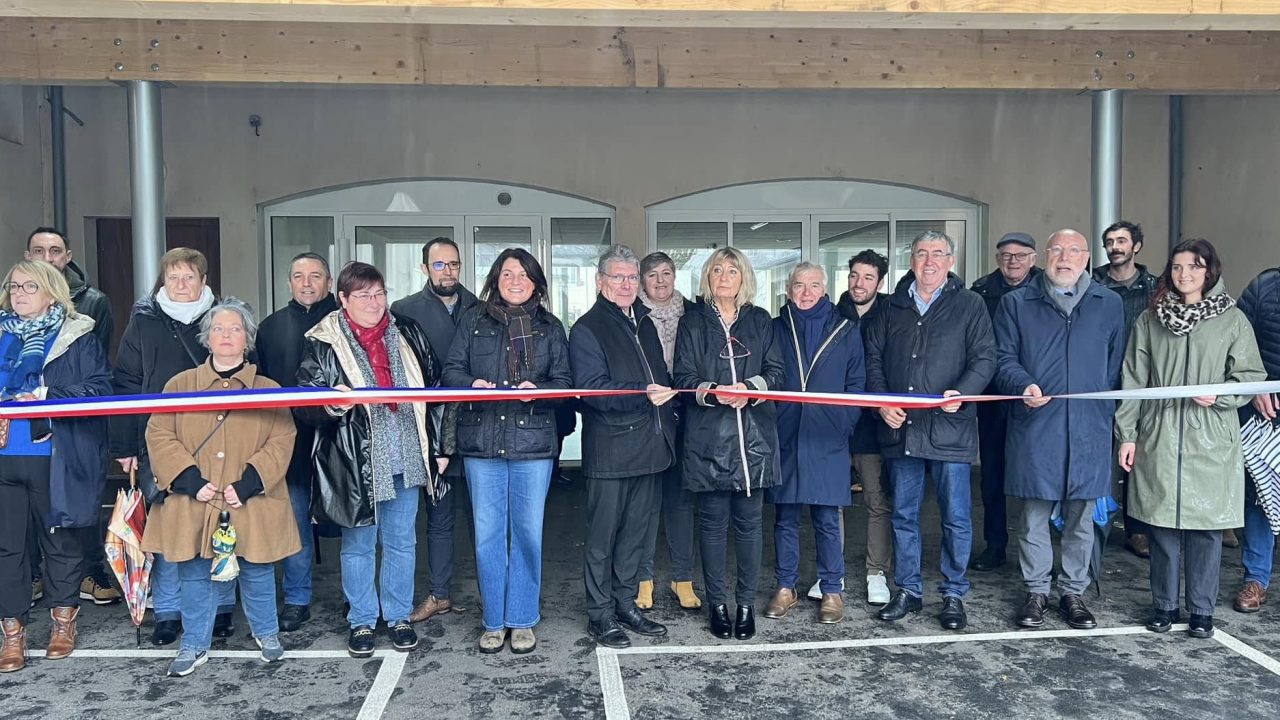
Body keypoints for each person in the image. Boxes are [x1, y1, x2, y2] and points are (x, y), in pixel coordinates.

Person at [1117, 238, 1265, 639]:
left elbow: (1251, 377)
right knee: (1161, 527)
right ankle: (1164, 605)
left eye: (1195, 267)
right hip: (1160, 432)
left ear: (1209, 270)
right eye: (1179, 267)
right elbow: (1133, 380)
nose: (1185, 275)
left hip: (1210, 435)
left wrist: (1220, 395)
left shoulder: (1232, 319)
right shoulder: (1150, 319)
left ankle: (1201, 610)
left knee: (1206, 529)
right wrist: (1127, 435)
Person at [297, 261, 447, 658]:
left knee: (401, 541)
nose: (373, 302)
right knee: (358, 545)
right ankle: (362, 620)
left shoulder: (407, 331)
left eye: (378, 293)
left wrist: (439, 448)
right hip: (353, 458)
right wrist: (335, 403)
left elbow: (435, 391)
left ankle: (397, 616)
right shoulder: (323, 341)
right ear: (343, 299)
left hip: (407, 453)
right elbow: (305, 406)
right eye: (362, 295)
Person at [144, 298, 299, 677]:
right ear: (206, 338)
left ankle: (268, 634)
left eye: (235, 329)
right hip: (194, 496)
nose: (226, 336)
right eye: (218, 329)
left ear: (247, 339)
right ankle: (195, 642)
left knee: (258, 569)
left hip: (249, 497)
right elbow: (159, 433)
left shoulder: (268, 388)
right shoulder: (179, 385)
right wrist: (189, 481)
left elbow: (282, 437)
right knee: (194, 572)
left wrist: (248, 483)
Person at [992, 230, 1125, 630]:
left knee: (1081, 516)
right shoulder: (1016, 303)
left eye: (1073, 251)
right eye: (1057, 251)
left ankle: (1072, 593)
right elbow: (1002, 359)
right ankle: (1036, 591)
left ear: (1087, 258)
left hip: (1089, 427)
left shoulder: (1110, 304)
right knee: (1033, 514)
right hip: (1037, 424)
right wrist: (1022, 385)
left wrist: (1106, 412)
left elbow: (1116, 367)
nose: (1064, 258)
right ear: (1043, 257)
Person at [441, 248, 571, 654]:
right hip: (483, 444)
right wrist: (470, 384)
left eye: (524, 274)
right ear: (496, 278)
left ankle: (522, 618)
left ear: (536, 282)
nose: (516, 281)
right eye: (508, 273)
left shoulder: (550, 327)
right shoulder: (473, 321)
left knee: (529, 535)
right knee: (488, 537)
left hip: (533, 446)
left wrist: (542, 393)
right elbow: (451, 371)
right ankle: (494, 619)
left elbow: (564, 382)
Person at [865, 230, 996, 631]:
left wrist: (967, 391)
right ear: (912, 260)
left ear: (951, 261)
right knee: (904, 515)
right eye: (921, 253)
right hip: (902, 430)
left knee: (956, 517)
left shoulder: (970, 305)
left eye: (938, 254)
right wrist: (882, 402)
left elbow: (986, 357)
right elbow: (872, 359)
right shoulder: (891, 308)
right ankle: (909, 590)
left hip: (950, 430)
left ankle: (954, 593)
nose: (929, 261)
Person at [110, 247, 235, 646]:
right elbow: (127, 383)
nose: (181, 285)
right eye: (173, 278)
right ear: (162, 282)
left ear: (204, 282)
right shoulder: (143, 322)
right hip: (161, 436)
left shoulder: (224, 319)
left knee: (219, 522)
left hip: (219, 435)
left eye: (189, 278)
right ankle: (167, 609)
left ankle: (221, 608)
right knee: (168, 523)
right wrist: (125, 442)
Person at [0, 261, 111, 673]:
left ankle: (62, 624)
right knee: (7, 548)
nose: (20, 292)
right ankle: (12, 634)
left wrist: (47, 394)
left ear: (52, 291)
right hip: (3, 458)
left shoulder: (76, 336)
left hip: (55, 456)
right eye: (14, 286)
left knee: (60, 542)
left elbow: (99, 388)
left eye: (30, 286)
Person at [672, 246, 784, 641]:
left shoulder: (761, 321)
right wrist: (715, 391)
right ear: (707, 277)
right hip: (708, 441)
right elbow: (683, 376)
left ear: (744, 278)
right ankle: (718, 604)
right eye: (717, 269)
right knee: (713, 526)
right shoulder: (693, 322)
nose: (724, 276)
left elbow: (776, 371)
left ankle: (746, 604)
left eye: (732, 270)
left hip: (753, 440)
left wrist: (749, 389)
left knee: (751, 527)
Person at [571, 245, 677, 648]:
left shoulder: (645, 323)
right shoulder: (588, 328)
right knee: (602, 540)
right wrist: (642, 395)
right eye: (617, 277)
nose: (626, 284)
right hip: (611, 451)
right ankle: (599, 615)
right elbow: (591, 392)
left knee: (637, 537)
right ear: (600, 282)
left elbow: (661, 375)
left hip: (650, 448)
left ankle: (624, 604)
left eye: (632, 277)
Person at [24, 227, 119, 607]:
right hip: (21, 433)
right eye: (39, 250)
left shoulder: (93, 302)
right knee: (28, 506)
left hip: (72, 419)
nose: (47, 257)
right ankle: (33, 577)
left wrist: (52, 396)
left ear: (68, 256)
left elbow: (97, 364)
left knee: (78, 499)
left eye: (55, 251)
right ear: (27, 255)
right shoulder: (11, 310)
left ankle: (89, 573)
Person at [765, 262, 864, 625]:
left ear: (825, 289)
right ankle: (785, 587)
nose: (806, 293)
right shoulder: (776, 328)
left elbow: (857, 384)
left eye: (813, 285)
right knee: (785, 517)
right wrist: (774, 420)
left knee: (827, 517)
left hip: (828, 435)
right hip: (787, 432)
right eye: (799, 286)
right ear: (789, 290)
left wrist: (842, 424)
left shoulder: (846, 330)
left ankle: (832, 590)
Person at [391, 237, 478, 624]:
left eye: (454, 265)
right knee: (438, 515)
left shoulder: (480, 307)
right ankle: (439, 593)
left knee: (484, 517)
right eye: (440, 265)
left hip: (478, 425)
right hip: (429, 426)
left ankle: (491, 595)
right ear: (424, 268)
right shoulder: (403, 311)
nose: (448, 272)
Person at [255, 252, 338, 632]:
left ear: (329, 282)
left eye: (316, 276)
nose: (307, 283)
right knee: (297, 522)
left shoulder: (346, 321)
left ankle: (359, 600)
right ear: (288, 282)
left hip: (342, 440)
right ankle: (297, 597)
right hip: (290, 442)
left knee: (356, 525)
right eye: (299, 276)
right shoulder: (271, 328)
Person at [969, 232, 1043, 572]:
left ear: (1033, 258)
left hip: (1037, 395)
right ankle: (995, 544)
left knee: (1040, 474)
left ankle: (1041, 552)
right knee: (993, 475)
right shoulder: (981, 290)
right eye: (1006, 255)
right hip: (994, 395)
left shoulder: (1047, 288)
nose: (1012, 261)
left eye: (1020, 255)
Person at [635, 251, 702, 611]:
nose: (660, 281)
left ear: (675, 276)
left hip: (687, 417)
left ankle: (682, 578)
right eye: (652, 275)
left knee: (680, 502)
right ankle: (643, 578)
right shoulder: (632, 315)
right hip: (647, 417)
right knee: (646, 503)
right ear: (642, 280)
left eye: (666, 273)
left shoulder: (694, 313)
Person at [1092, 221, 1160, 559]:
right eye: (1109, 242)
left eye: (1122, 241)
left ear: (1137, 246)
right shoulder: (1090, 283)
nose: (1115, 247)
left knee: (1138, 457)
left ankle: (1138, 530)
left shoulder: (1157, 287)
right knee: (1098, 457)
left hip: (1142, 384)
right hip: (1100, 381)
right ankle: (1094, 526)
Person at [835, 249, 891, 605]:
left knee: (877, 500)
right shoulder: (831, 314)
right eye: (855, 275)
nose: (859, 283)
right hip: (837, 424)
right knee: (832, 502)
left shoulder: (891, 315)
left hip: (874, 426)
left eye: (868, 277)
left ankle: (877, 572)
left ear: (880, 282)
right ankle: (832, 572)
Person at [1235, 266, 1280, 613]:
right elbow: (1238, 344)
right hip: (1264, 413)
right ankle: (1256, 579)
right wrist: (1253, 387)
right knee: (1259, 498)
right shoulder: (1264, 286)